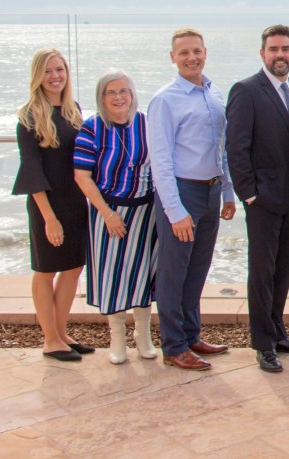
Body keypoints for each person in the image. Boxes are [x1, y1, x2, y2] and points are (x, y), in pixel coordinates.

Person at [226, 25, 289, 374]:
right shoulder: (246, 90)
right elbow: (236, 147)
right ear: (263, 54)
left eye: (286, 49)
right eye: (274, 49)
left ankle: (278, 332)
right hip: (263, 199)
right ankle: (263, 344)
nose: (280, 55)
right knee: (262, 272)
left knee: (284, 268)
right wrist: (249, 194)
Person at [148, 29, 236, 371]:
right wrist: (175, 211)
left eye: (196, 51)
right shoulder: (165, 100)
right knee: (174, 272)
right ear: (172, 57)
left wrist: (227, 191)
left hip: (211, 191)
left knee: (198, 268)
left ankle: (191, 334)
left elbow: (222, 148)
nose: (191, 58)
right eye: (183, 52)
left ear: (205, 52)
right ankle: (174, 346)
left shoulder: (214, 94)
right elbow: (160, 160)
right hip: (182, 193)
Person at [73, 70, 159, 364]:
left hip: (146, 212)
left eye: (124, 91)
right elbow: (82, 176)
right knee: (113, 276)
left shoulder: (147, 123)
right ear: (102, 97)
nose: (119, 97)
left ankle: (143, 335)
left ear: (132, 95)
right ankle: (117, 338)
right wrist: (108, 214)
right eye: (111, 92)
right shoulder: (93, 128)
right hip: (109, 212)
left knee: (144, 274)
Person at [12, 49, 91, 362]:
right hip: (46, 203)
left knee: (74, 266)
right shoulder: (28, 117)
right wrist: (49, 218)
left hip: (75, 200)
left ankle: (61, 333)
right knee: (46, 269)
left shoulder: (73, 109)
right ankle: (50, 340)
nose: (55, 76)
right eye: (47, 71)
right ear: (37, 76)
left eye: (59, 69)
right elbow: (31, 169)